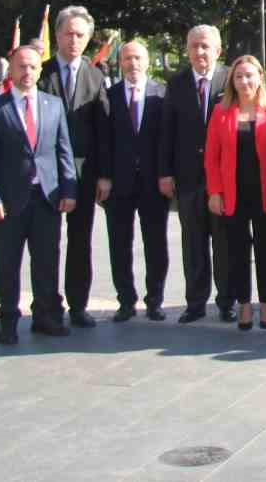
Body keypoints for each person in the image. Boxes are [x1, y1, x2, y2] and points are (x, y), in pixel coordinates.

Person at [0, 44, 77, 343]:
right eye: (21, 66)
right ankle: (8, 318)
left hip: (46, 198)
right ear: (11, 69)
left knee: (47, 261)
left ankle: (46, 315)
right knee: (8, 263)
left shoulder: (53, 105)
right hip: (9, 202)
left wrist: (69, 189)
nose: (27, 72)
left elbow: (64, 151)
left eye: (33, 67)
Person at [205, 55, 266, 331]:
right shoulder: (221, 111)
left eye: (250, 75)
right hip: (233, 194)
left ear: (260, 78)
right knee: (237, 252)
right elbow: (212, 157)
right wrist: (215, 192)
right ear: (232, 80)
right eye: (239, 76)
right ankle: (244, 304)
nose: (245, 81)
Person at [38, 5, 112, 329]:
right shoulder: (41, 74)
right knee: (46, 242)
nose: (74, 40)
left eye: (80, 35)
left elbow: (103, 130)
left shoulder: (96, 76)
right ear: (57, 35)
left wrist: (105, 175)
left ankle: (78, 305)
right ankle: (46, 305)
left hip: (84, 171)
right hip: (47, 171)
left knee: (80, 241)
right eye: (68, 33)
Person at [158, 24, 232, 323]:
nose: (199, 52)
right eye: (194, 46)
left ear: (218, 50)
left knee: (225, 242)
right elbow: (166, 133)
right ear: (186, 50)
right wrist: (165, 172)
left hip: (224, 179)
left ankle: (227, 301)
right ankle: (196, 302)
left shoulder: (231, 79)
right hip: (188, 178)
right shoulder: (176, 84)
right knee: (193, 242)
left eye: (205, 46)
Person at [97, 41, 169, 322]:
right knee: (119, 243)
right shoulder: (109, 95)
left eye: (138, 57)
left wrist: (166, 173)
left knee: (156, 243)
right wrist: (103, 176)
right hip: (118, 183)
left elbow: (167, 141)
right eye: (127, 59)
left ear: (147, 61)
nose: (133, 63)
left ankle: (155, 301)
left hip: (153, 183)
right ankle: (126, 301)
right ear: (120, 63)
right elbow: (103, 140)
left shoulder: (162, 94)